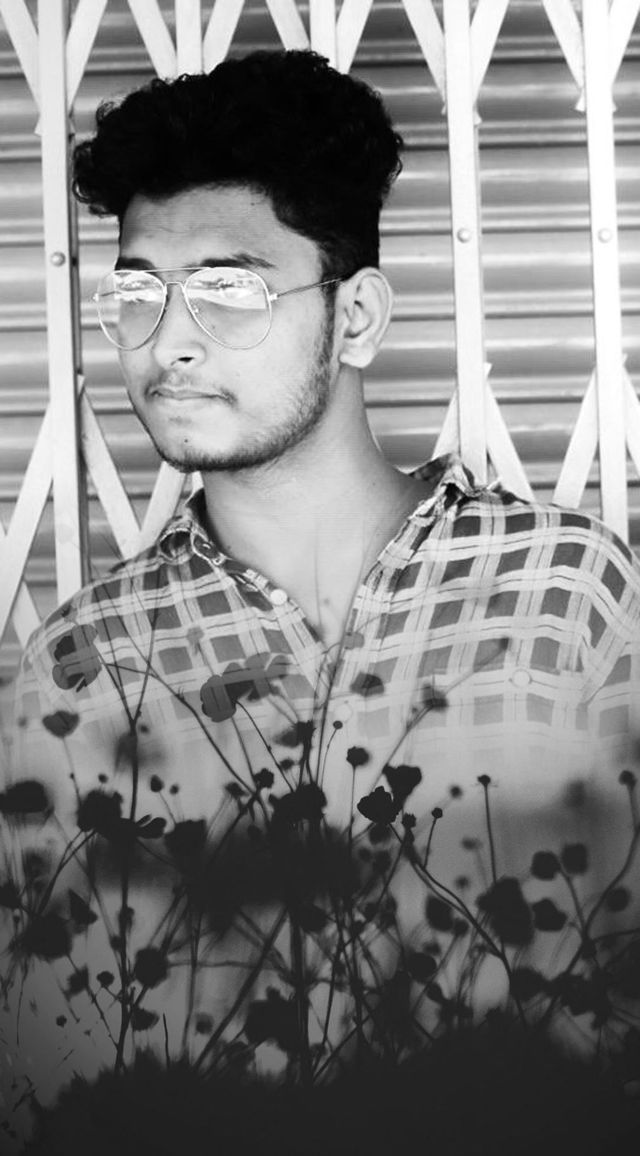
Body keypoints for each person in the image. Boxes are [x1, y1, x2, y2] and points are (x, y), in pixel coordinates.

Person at [2, 49, 640, 1149]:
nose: (169, 341)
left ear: (356, 319)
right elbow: (42, 1061)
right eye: (139, 293)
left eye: (229, 290)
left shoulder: (568, 596)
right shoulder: (83, 667)